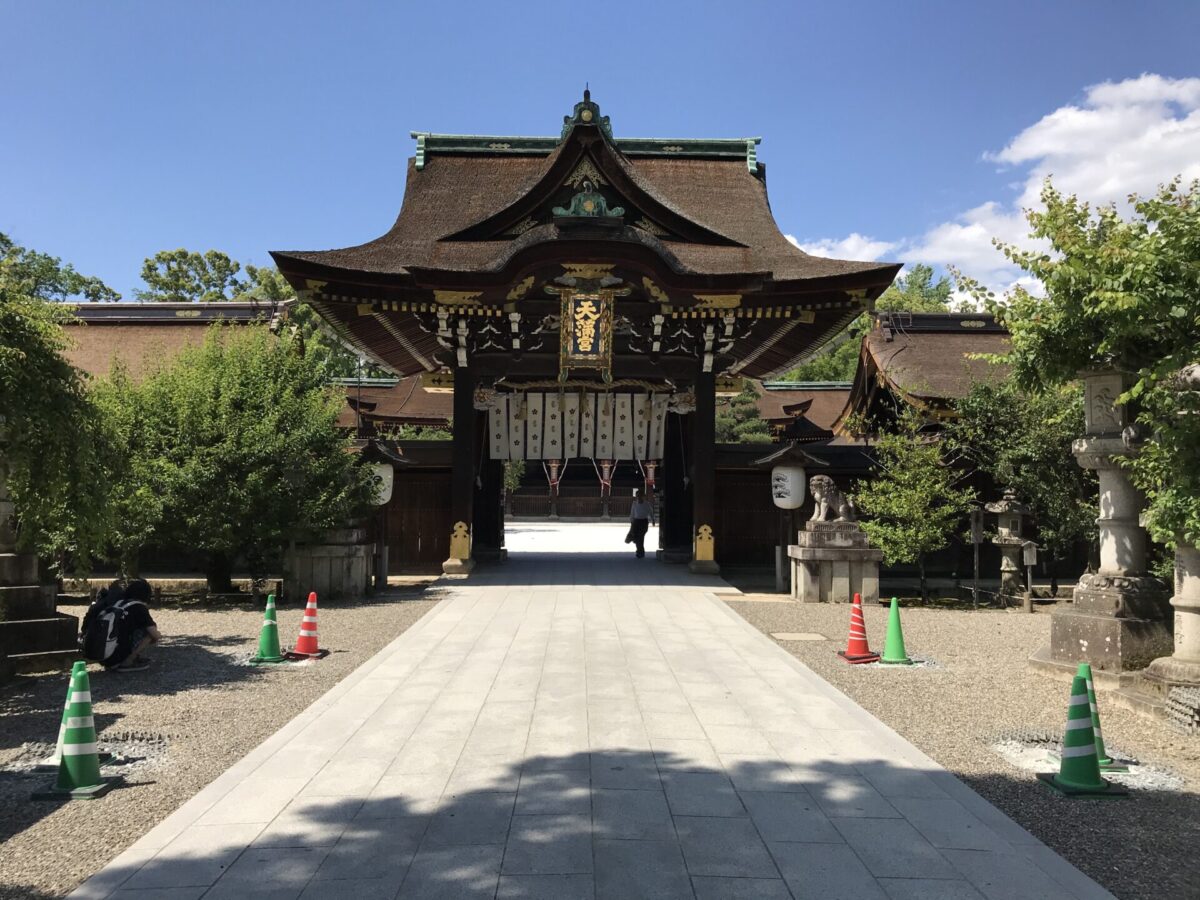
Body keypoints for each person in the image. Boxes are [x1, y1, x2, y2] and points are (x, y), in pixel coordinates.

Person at [80, 578, 161, 672]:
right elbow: (154, 634)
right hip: (117, 656)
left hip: (102, 655)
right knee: (148, 634)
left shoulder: (118, 603)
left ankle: (116, 660)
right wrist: (158, 635)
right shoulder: (139, 607)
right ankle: (128, 661)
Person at [627, 488, 656, 559]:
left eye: (640, 496)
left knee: (640, 537)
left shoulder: (647, 504)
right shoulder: (634, 504)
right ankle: (639, 551)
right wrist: (631, 521)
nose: (639, 497)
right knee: (637, 537)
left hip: (644, 522)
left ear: (643, 496)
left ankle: (640, 552)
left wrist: (653, 520)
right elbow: (632, 513)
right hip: (636, 522)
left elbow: (651, 512)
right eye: (638, 496)